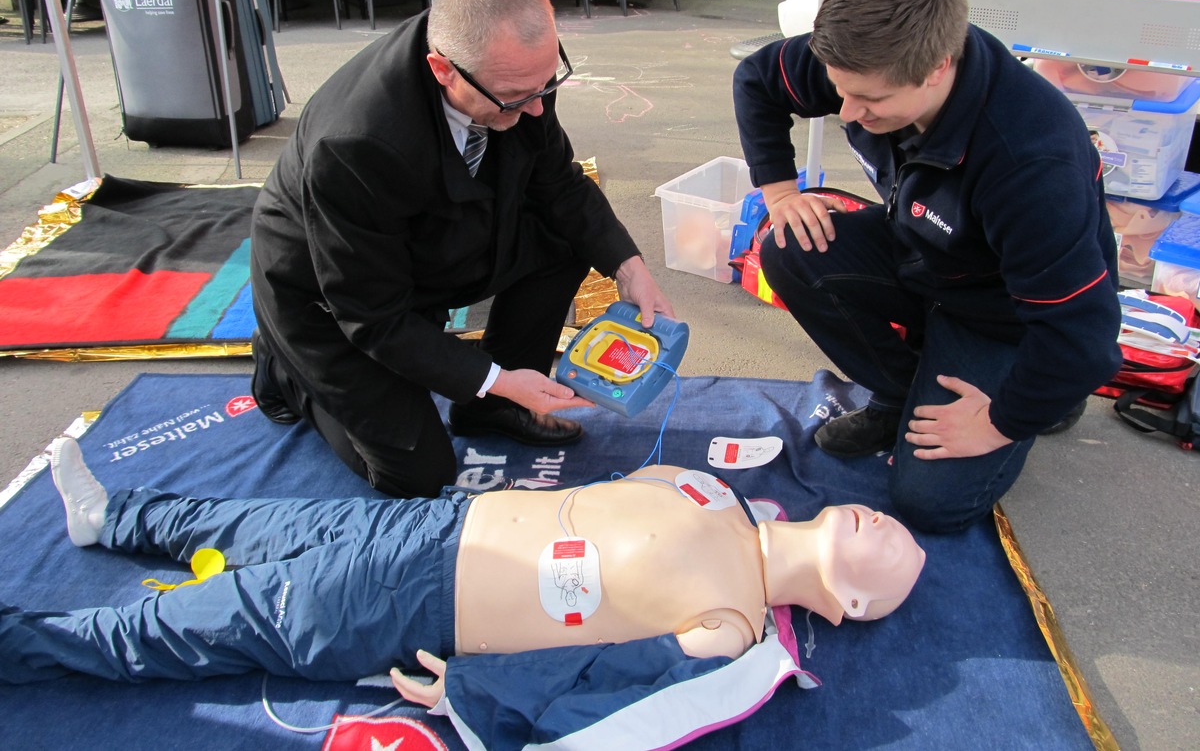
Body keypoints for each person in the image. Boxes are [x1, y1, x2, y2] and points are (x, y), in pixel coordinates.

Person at [3, 439, 923, 703]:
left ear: (844, 607)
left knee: (189, 622)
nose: (881, 519)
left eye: (888, 550)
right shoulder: (710, 489)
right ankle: (112, 515)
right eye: (888, 517)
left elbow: (609, 695)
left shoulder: (731, 630)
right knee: (259, 522)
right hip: (437, 523)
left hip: (416, 601)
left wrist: (479, 693)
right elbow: (610, 485)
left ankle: (19, 644)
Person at [732, 0, 1122, 534]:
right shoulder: (869, 61)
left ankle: (1044, 399)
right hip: (923, 252)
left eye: (872, 101)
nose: (848, 112)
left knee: (929, 504)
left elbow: (1085, 335)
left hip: (1003, 314)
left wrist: (1001, 420)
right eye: (840, 91)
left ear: (939, 65)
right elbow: (756, 80)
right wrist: (780, 192)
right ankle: (903, 391)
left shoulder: (1029, 163)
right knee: (787, 245)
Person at [249, 0, 672, 499]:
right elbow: (372, 315)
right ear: (443, 69)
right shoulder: (355, 143)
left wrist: (627, 267)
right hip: (329, 293)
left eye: (547, 84)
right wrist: (491, 372)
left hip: (428, 233)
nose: (538, 106)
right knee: (418, 475)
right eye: (518, 97)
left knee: (566, 236)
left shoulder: (517, 70)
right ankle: (289, 371)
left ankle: (493, 409)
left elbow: (557, 184)